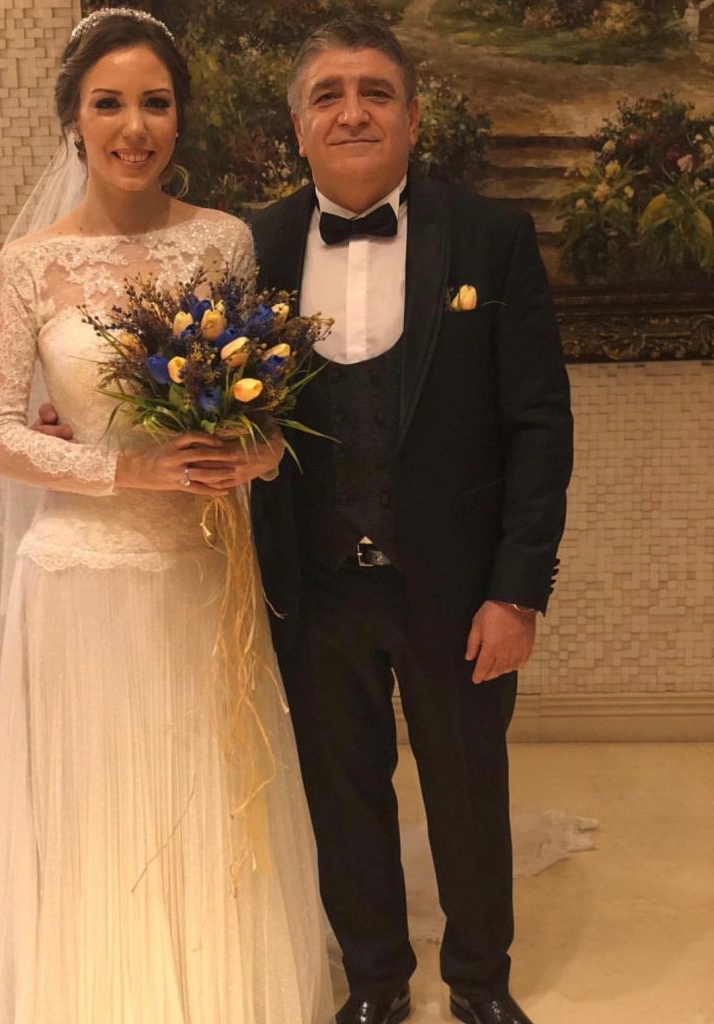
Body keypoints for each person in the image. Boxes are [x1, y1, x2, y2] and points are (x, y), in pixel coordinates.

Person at [0, 9, 332, 1023]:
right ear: (74, 121)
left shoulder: (222, 241)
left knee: (204, 797)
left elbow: (265, 420)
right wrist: (129, 471)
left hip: (201, 573)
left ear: (180, 117)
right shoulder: (28, 265)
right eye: (109, 104)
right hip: (77, 580)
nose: (133, 127)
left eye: (155, 103)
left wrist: (252, 454)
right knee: (97, 808)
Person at [248, 17, 574, 1024]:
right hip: (312, 585)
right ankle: (375, 981)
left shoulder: (489, 236)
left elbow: (537, 424)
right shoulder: (249, 247)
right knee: (341, 791)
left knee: (468, 788)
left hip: (456, 583)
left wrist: (516, 588)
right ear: (298, 125)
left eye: (375, 92)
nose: (352, 112)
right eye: (328, 94)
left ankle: (478, 981)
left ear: (412, 117)